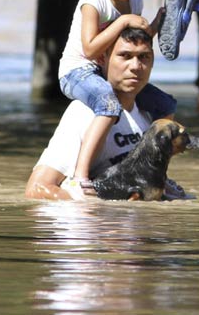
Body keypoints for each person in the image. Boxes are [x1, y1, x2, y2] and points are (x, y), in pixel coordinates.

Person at [58, 0, 176, 187]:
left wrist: (157, 23)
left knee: (164, 105)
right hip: (78, 72)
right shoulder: (93, 1)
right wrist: (123, 20)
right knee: (108, 105)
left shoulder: (135, 0)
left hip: (108, 70)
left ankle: (157, 174)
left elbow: (133, 41)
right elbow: (90, 49)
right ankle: (81, 175)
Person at [26, 27, 187, 201]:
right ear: (103, 58)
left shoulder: (150, 116)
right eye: (125, 56)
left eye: (144, 57)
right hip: (96, 224)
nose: (135, 66)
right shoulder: (84, 113)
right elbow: (37, 189)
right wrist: (100, 209)